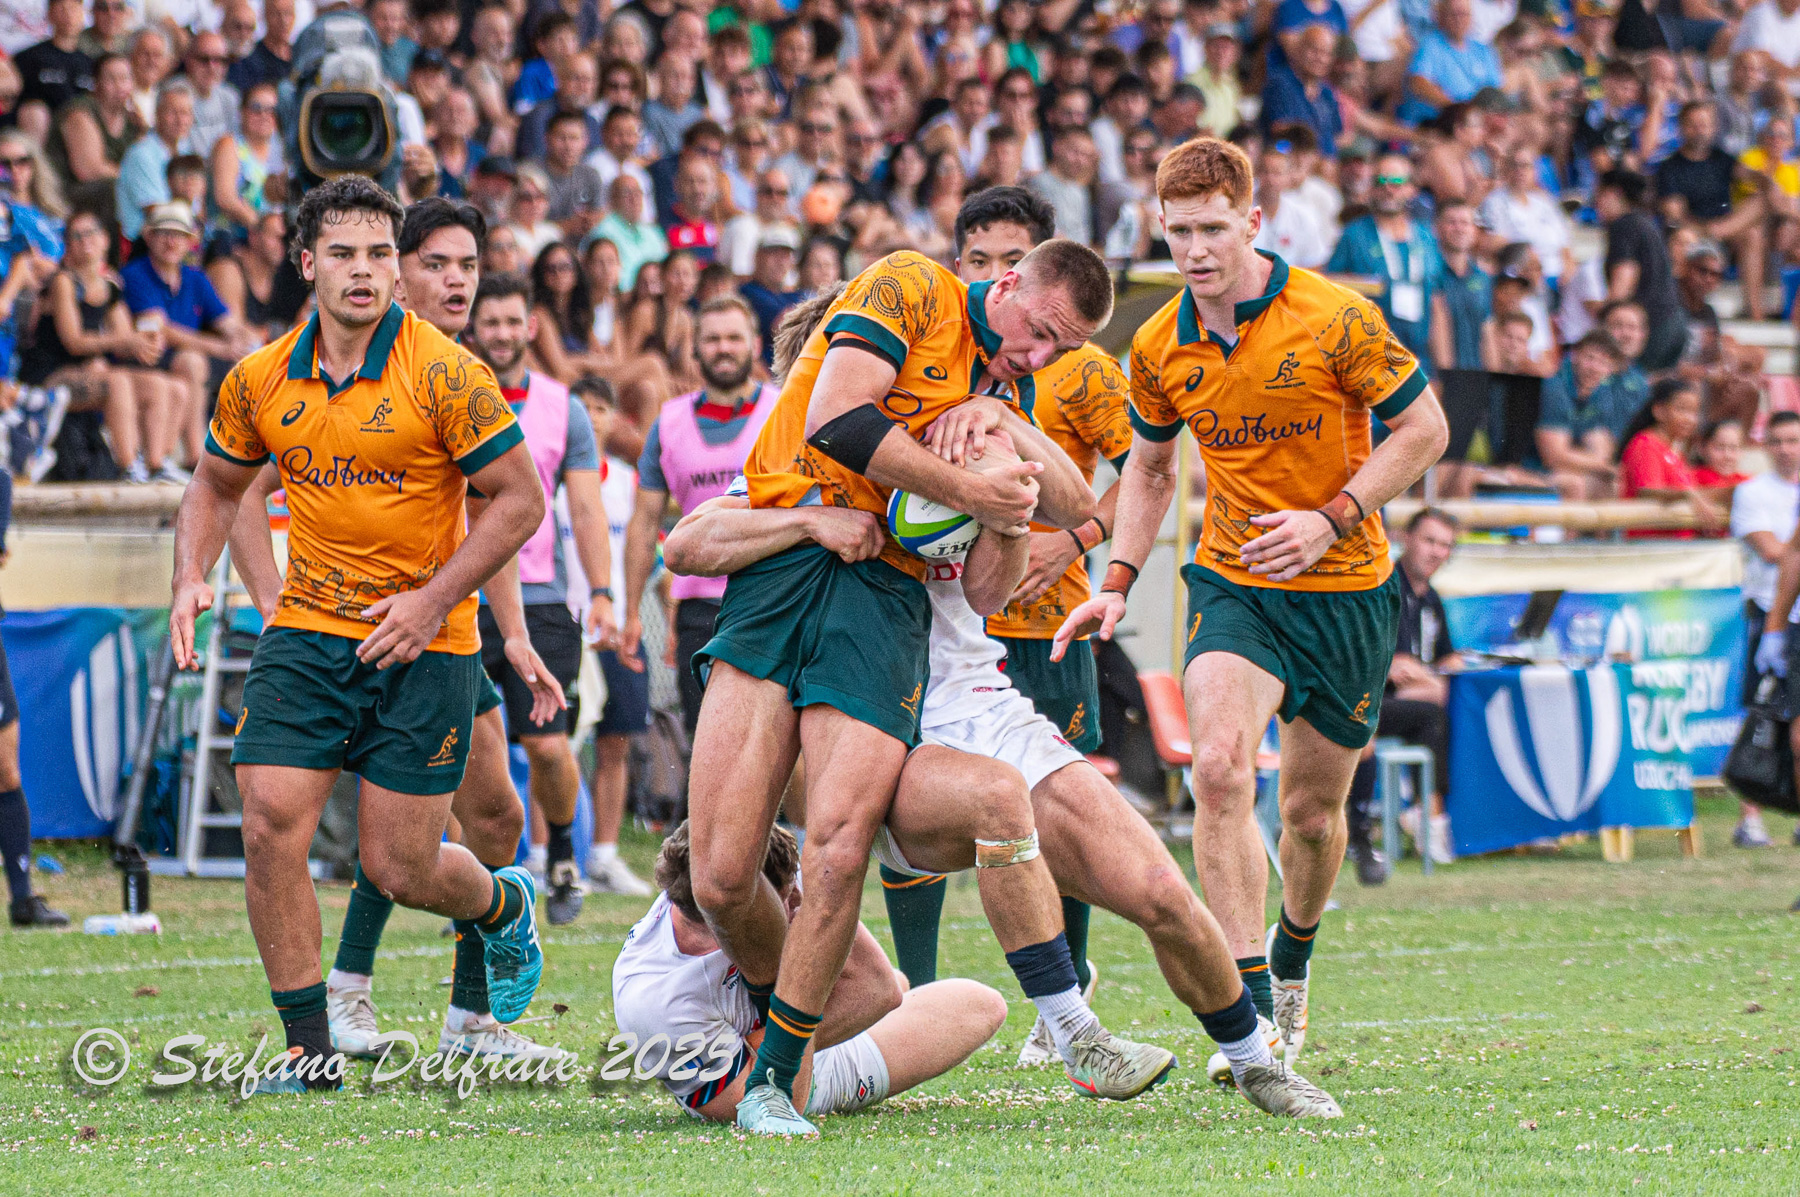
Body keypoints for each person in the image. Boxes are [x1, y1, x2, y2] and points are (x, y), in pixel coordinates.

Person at [686, 240, 1110, 1137]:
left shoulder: (999, 390)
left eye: (1057, 349)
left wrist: (1005, 440)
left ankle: (773, 1078)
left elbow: (1070, 501)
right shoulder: (912, 281)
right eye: (1035, 331)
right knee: (721, 875)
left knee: (837, 848)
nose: (1036, 356)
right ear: (1002, 287)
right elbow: (837, 420)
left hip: (885, 595)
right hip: (784, 570)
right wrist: (970, 486)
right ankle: (797, 1018)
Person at [1054, 137, 1448, 1085]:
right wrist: (1115, 578)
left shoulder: (1334, 317)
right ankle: (1253, 1015)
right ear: (1159, 226)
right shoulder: (1156, 343)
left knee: (1313, 817)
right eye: (1179, 230)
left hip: (1348, 587)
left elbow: (1425, 429)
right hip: (1233, 585)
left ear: (1253, 223)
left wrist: (1332, 516)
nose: (1195, 249)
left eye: (1213, 229)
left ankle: (1297, 951)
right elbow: (1148, 468)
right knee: (1223, 771)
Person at [168, 175, 548, 1094]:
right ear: (307, 265)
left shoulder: (449, 373)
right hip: (308, 632)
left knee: (401, 864)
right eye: (343, 253)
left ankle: (501, 905)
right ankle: (310, 1050)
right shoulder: (260, 376)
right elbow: (220, 485)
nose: (365, 271)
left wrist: (430, 601)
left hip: (427, 644)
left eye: (381, 253)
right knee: (267, 824)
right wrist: (191, 577)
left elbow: (520, 502)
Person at [613, 822, 1009, 1122]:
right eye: (790, 899)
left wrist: (773, 1025)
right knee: (978, 1005)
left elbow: (878, 988)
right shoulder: (654, 1002)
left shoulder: (763, 865)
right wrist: (783, 1016)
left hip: (774, 1033)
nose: (800, 901)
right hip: (775, 1075)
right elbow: (769, 1099)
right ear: (749, 910)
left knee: (956, 997)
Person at [464, 271, 620, 923]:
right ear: (475, 330)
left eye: (511, 322)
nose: (500, 334)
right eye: (489, 323)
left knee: (549, 746)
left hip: (544, 599)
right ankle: (480, 876)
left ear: (531, 326)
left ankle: (560, 851)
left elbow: (585, 509)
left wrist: (605, 591)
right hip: (461, 594)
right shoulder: (454, 392)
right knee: (471, 747)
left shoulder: (565, 406)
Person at [621, 295, 778, 740]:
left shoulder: (785, 412)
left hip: (775, 597)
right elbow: (643, 521)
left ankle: (794, 816)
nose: (723, 348)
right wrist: (631, 610)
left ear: (755, 343)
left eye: (733, 337)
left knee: (779, 737)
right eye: (712, 339)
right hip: (699, 605)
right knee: (709, 739)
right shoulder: (668, 423)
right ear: (694, 349)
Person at [19, 209, 171, 482]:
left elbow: (124, 339)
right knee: (118, 382)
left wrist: (145, 341)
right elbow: (74, 342)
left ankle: (157, 465)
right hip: (48, 377)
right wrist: (126, 341)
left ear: (105, 239)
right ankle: (128, 468)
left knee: (161, 385)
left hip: (86, 371)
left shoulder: (109, 286)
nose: (84, 240)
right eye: (75, 236)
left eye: (90, 233)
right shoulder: (64, 281)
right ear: (67, 245)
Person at [119, 201, 243, 476]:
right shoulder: (135, 274)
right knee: (192, 362)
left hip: (176, 357)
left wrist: (245, 342)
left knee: (225, 363)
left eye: (179, 235)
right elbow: (161, 330)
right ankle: (195, 454)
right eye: (164, 233)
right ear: (149, 237)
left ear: (190, 242)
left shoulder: (195, 277)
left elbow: (227, 322)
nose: (172, 241)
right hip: (146, 357)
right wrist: (222, 347)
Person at [1730, 410, 1800, 848]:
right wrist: (1775, 625)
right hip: (1776, 613)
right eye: (1776, 441)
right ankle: (1751, 817)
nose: (1785, 449)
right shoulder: (1753, 492)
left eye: (1792, 440)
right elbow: (1784, 556)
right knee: (1769, 721)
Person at [1381, 508, 1459, 866]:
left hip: (1406, 701)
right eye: (1429, 541)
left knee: (1448, 703)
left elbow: (1444, 658)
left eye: (1445, 545)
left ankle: (1432, 811)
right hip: (1365, 702)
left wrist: (1441, 670)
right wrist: (1427, 677)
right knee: (1433, 711)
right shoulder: (1382, 588)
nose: (1436, 552)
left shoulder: (1431, 598)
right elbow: (1394, 667)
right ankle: (1430, 814)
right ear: (1405, 539)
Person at [1326, 153, 1445, 366]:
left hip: (1419, 360)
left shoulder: (1426, 237)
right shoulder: (1354, 234)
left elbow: (1436, 303)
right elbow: (1331, 288)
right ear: (1371, 188)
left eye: (1397, 182)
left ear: (1412, 189)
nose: (1388, 189)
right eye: (1381, 181)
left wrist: (1442, 369)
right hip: (1368, 359)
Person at [1597, 169, 1687, 370]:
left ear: (1614, 194)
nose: (1597, 202)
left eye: (1600, 194)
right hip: (1676, 321)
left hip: (1650, 326)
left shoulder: (1623, 225)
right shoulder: (1646, 224)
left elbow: (1625, 276)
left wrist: (1605, 317)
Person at [1534, 330, 1634, 499]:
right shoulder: (1554, 387)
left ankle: (1604, 527)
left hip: (1569, 469)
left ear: (1611, 369)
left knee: (1611, 483)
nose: (1595, 368)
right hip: (1531, 468)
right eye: (1590, 358)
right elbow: (1554, 456)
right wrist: (1604, 466)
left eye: (1604, 362)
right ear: (1575, 356)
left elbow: (1602, 448)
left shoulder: (1601, 392)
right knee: (1576, 483)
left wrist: (1602, 465)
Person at [1617, 377, 1724, 534]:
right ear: (1659, 411)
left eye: (1695, 412)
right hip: (1651, 548)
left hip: (1677, 547)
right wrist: (1688, 495)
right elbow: (1648, 491)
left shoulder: (1674, 451)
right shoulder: (1645, 444)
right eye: (1682, 409)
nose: (1690, 419)